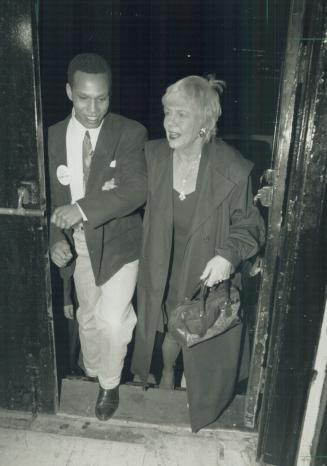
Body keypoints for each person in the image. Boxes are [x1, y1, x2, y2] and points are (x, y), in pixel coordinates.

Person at [131, 75, 265, 432]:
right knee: (168, 329)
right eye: (166, 112)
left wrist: (228, 255)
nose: (169, 123)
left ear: (205, 123)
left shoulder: (232, 167)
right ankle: (168, 370)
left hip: (205, 266)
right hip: (163, 261)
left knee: (195, 331)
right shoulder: (153, 155)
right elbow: (129, 189)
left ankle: (194, 384)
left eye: (181, 115)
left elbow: (250, 226)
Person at [48, 53, 147, 421]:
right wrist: (54, 240)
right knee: (87, 317)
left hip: (121, 243)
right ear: (70, 92)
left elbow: (137, 189)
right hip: (79, 246)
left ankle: (108, 384)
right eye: (85, 97)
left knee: (113, 320)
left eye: (102, 98)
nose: (93, 108)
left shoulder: (129, 132)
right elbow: (47, 203)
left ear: (110, 94)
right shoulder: (51, 137)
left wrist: (83, 208)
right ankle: (91, 371)